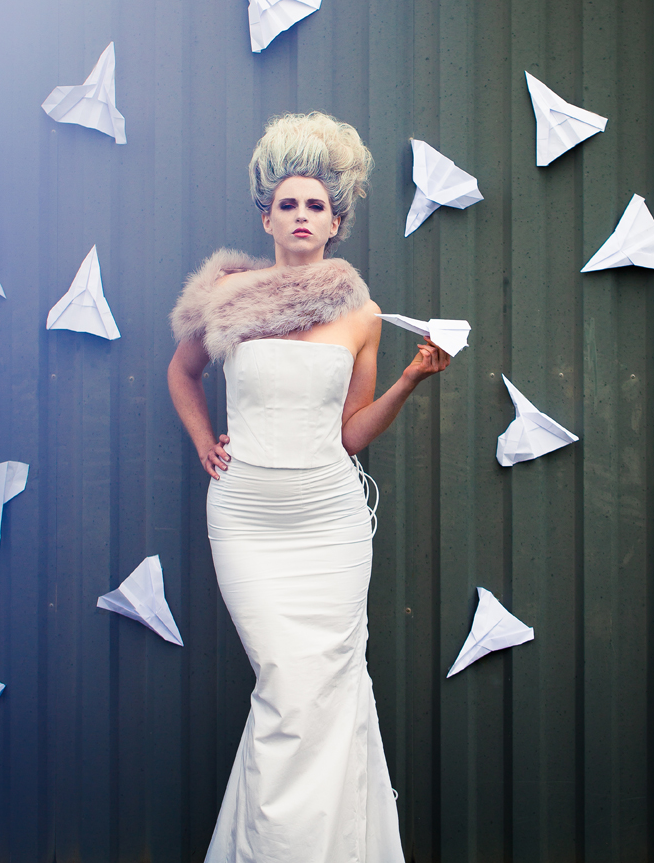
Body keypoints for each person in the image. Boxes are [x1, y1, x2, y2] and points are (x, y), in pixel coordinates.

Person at [168, 112, 449, 863]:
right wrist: (204, 440)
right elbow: (182, 373)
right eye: (287, 204)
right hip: (248, 518)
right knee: (286, 688)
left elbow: (351, 434)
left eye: (315, 205)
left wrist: (411, 380)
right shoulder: (229, 297)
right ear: (266, 218)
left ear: (336, 223)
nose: (301, 215)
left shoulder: (361, 315)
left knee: (327, 689)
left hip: (330, 521)